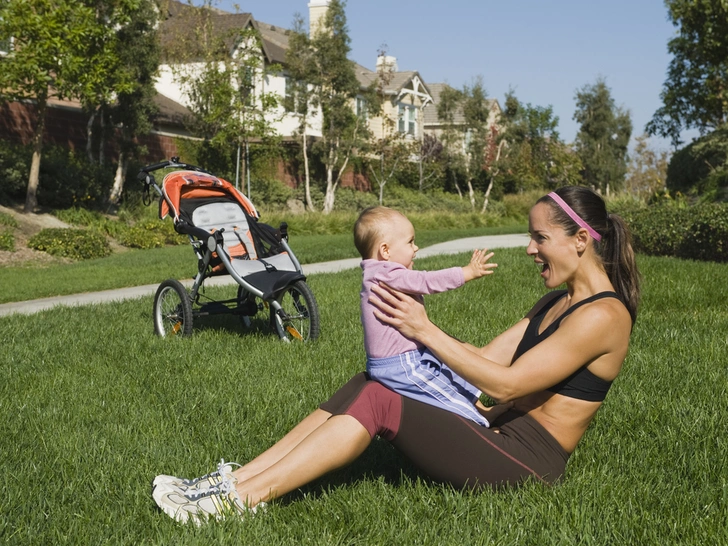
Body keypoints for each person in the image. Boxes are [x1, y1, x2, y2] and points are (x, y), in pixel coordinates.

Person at [152, 186, 641, 526]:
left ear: (581, 240)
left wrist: (424, 330)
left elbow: (504, 386)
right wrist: (411, 341)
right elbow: (488, 358)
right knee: (371, 382)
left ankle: (238, 501)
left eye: (540, 238)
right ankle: (233, 480)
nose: (530, 249)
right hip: (494, 429)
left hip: (525, 462)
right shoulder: (557, 301)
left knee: (381, 403)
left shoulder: (604, 316)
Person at [354, 206, 497, 426]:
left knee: (451, 373)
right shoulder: (384, 272)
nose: (416, 247)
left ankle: (483, 410)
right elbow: (425, 281)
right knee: (444, 396)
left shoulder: (377, 273)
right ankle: (481, 427)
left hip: (411, 356)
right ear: (386, 250)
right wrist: (467, 272)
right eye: (410, 242)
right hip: (400, 366)